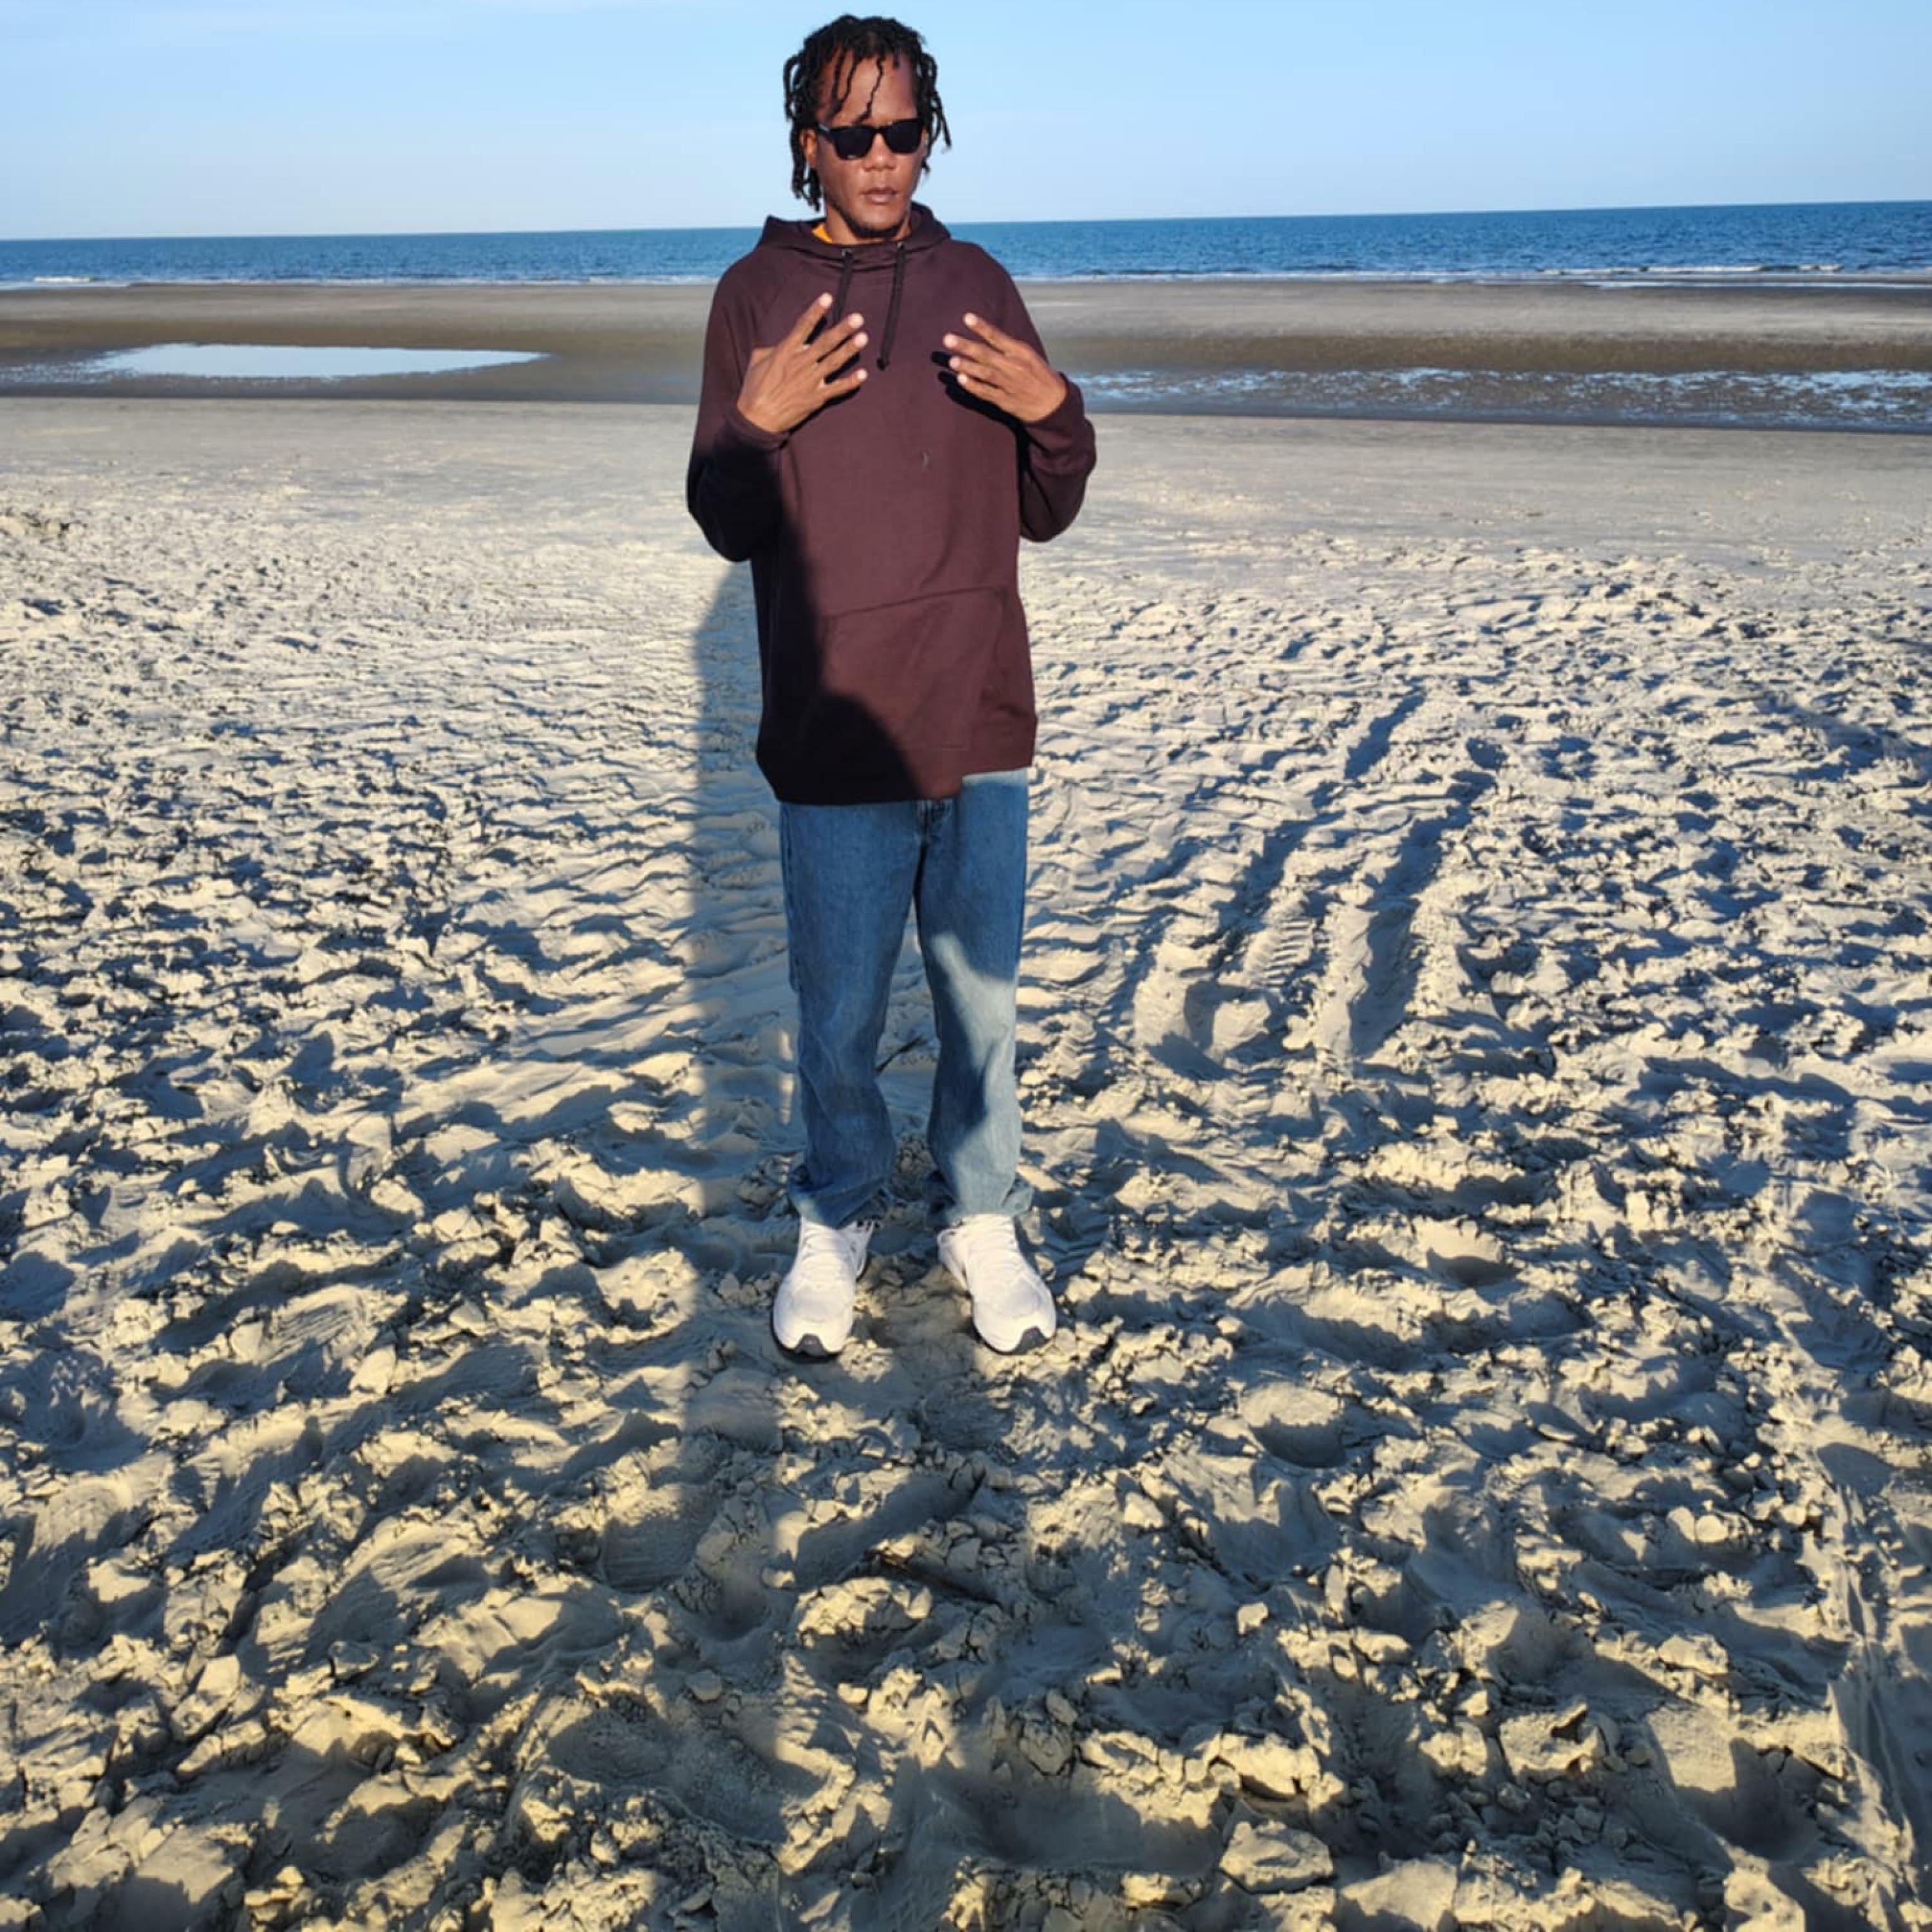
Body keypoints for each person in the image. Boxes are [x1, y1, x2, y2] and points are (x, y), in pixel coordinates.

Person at [687, 13, 1095, 1361]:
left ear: (931, 135)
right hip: (835, 729)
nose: (879, 156)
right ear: (808, 143)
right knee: (840, 1014)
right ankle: (836, 1217)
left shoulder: (978, 279)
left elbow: (1049, 508)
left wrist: (1055, 413)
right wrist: (756, 427)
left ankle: (980, 1218)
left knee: (981, 1006)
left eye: (903, 130)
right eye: (851, 133)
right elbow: (725, 518)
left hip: (978, 716)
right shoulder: (757, 296)